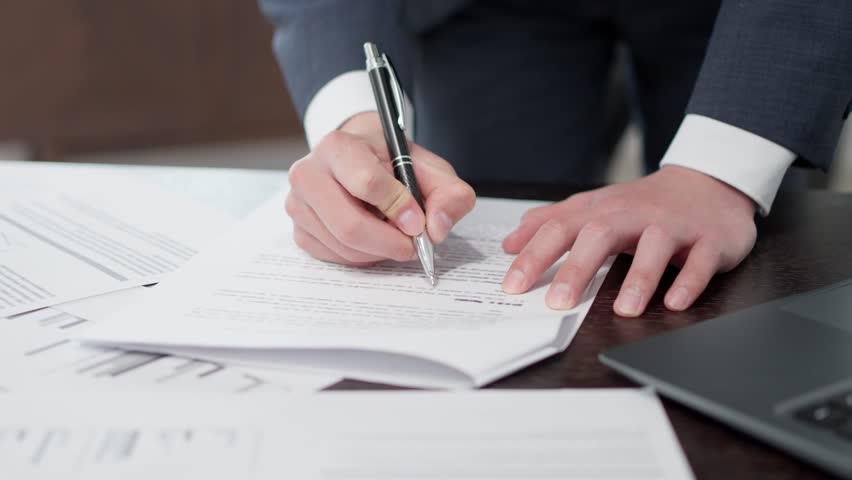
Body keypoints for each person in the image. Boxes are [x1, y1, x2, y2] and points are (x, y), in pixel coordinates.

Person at [258, 0, 852, 317]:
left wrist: (723, 170)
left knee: (735, 279)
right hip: (491, 14)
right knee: (487, 221)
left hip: (746, 19)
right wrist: (358, 122)